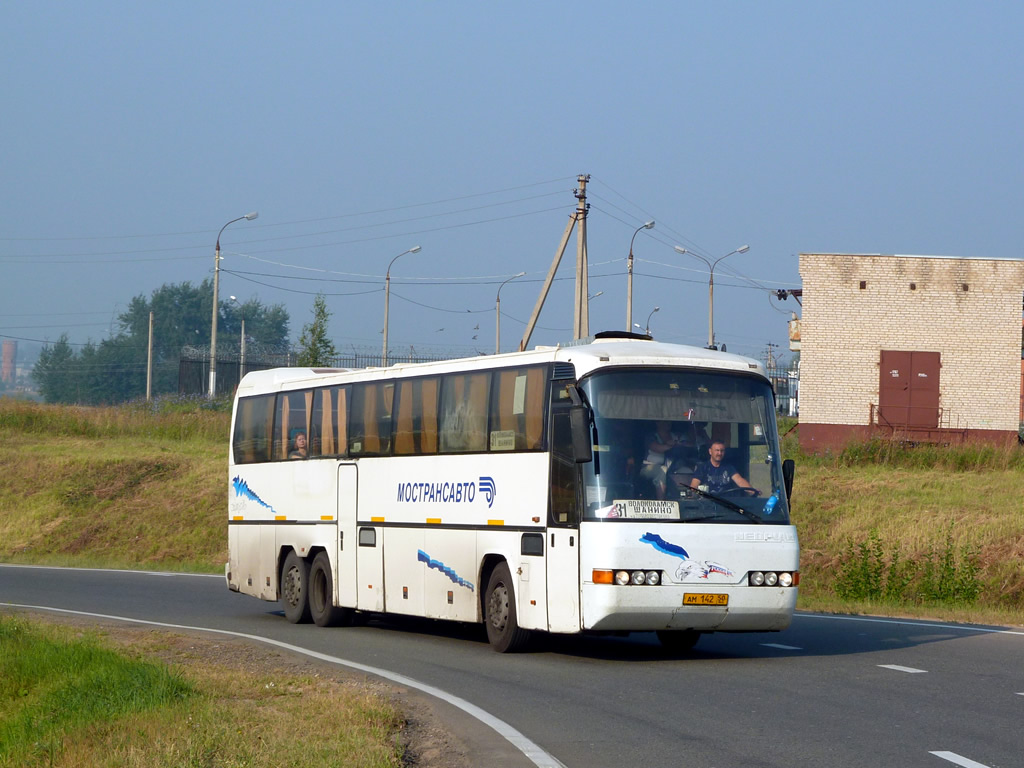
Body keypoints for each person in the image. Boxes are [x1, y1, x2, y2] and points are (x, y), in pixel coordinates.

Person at [690, 440, 755, 495]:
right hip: (708, 504)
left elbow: (740, 481)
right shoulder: (702, 468)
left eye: (722, 451)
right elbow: (694, 486)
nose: (719, 453)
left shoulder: (729, 468)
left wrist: (753, 491)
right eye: (717, 450)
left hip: (726, 503)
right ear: (710, 451)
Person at [639, 420, 683, 500]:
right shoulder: (651, 436)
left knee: (685, 470)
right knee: (662, 470)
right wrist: (671, 446)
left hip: (672, 468)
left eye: (669, 421)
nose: (668, 423)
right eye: (664, 421)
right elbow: (657, 448)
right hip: (648, 467)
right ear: (657, 423)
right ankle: (661, 503)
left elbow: (689, 443)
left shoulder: (676, 436)